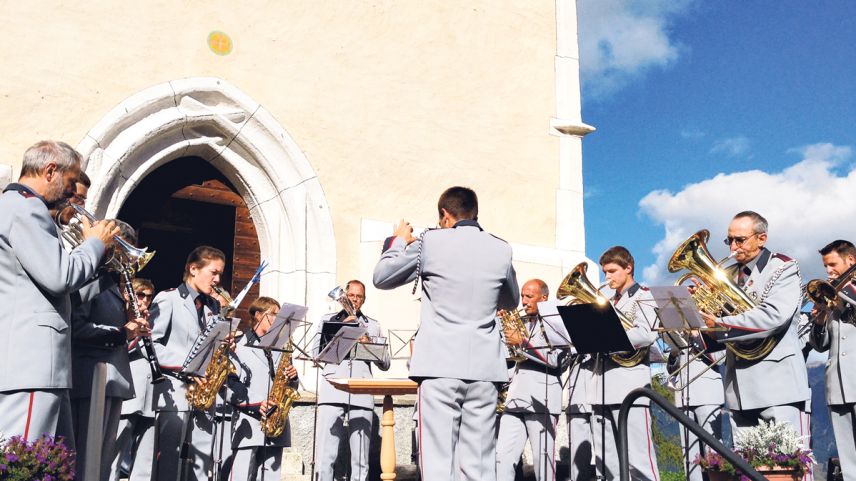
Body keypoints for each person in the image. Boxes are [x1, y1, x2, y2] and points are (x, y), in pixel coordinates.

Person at [373, 186, 519, 481]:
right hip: (485, 368)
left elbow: (383, 276)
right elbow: (510, 301)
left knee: (439, 464)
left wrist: (398, 241)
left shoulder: (430, 241)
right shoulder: (501, 248)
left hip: (439, 366)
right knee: (479, 465)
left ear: (445, 215)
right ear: (474, 212)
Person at [0, 140, 117, 447]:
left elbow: (57, 295)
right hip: (31, 367)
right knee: (22, 460)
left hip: (44, 368)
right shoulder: (26, 209)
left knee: (57, 465)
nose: (72, 191)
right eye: (70, 180)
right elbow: (59, 276)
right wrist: (94, 243)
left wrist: (105, 272)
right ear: (50, 170)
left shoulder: (22, 208)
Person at [700, 211, 810, 436]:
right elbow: (718, 332)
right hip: (739, 389)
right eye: (729, 240)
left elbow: (773, 317)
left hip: (778, 385)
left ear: (762, 239)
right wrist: (700, 312)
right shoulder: (726, 274)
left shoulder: (782, 267)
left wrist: (719, 323)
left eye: (739, 240)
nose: (733, 246)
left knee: (789, 466)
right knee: (745, 468)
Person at [70, 220, 150, 481]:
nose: (130, 261)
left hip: (113, 380)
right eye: (127, 252)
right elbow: (78, 328)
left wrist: (131, 325)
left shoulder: (114, 284)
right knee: (86, 462)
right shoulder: (89, 278)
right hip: (91, 379)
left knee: (102, 466)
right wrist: (122, 332)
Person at [149, 245, 229, 480]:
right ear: (193, 269)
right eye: (213, 272)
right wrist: (189, 364)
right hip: (175, 391)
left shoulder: (212, 307)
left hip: (205, 392)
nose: (217, 280)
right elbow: (152, 345)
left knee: (201, 464)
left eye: (220, 275)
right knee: (169, 464)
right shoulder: (169, 298)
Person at [589, 246, 659, 481]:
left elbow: (646, 335)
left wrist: (608, 339)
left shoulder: (645, 295)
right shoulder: (606, 300)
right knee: (605, 461)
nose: (606, 278)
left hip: (630, 386)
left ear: (628, 268)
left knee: (638, 461)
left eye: (611, 271)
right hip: (601, 387)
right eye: (605, 272)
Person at [312, 279, 390, 481]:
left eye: (359, 297)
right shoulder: (328, 320)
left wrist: (369, 343)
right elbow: (315, 353)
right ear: (345, 295)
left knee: (361, 457)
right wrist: (340, 333)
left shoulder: (372, 325)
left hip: (362, 391)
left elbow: (385, 363)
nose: (355, 300)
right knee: (326, 454)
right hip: (333, 388)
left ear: (364, 300)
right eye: (352, 295)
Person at [496, 279, 570, 481]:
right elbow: (507, 356)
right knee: (501, 457)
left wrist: (522, 342)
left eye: (529, 296)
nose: (524, 301)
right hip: (516, 397)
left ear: (544, 298)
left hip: (542, 398)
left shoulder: (556, 322)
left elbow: (557, 360)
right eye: (522, 296)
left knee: (543, 462)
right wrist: (500, 327)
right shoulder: (523, 321)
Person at [225, 296, 299, 481]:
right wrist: (257, 403)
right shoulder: (239, 344)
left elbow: (288, 385)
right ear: (258, 315)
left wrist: (293, 377)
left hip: (277, 422)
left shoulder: (281, 346)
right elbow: (231, 384)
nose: (278, 320)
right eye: (273, 314)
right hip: (249, 421)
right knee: (242, 476)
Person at [809, 240, 856, 481]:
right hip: (837, 386)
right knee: (849, 464)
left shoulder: (846, 294)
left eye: (832, 264)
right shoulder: (833, 297)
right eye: (825, 266)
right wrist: (819, 320)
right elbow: (820, 345)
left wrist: (845, 295)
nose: (828, 272)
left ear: (851, 261)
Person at [111, 277, 158, 481]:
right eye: (141, 295)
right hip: (128, 394)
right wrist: (135, 332)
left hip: (149, 395)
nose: (145, 301)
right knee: (114, 454)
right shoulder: (120, 317)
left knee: (145, 460)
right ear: (128, 295)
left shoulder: (153, 319)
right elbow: (120, 349)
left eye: (149, 297)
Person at [664, 337, 724, 481]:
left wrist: (697, 337)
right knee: (689, 453)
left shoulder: (710, 326)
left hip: (707, 393)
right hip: (683, 393)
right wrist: (673, 355)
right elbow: (672, 369)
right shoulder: (678, 331)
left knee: (713, 450)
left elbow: (720, 357)